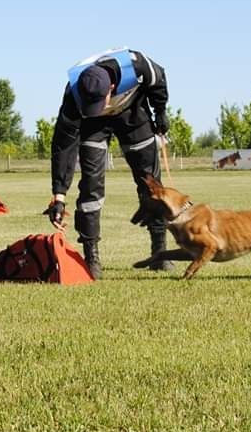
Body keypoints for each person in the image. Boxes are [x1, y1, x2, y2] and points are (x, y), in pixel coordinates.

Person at [45, 47, 174, 279]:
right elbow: (63, 145)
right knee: (91, 187)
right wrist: (59, 195)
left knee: (151, 185)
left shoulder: (138, 66)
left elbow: (159, 81)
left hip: (132, 114)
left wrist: (160, 112)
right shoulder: (74, 94)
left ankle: (160, 252)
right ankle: (91, 257)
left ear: (111, 88)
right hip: (93, 126)